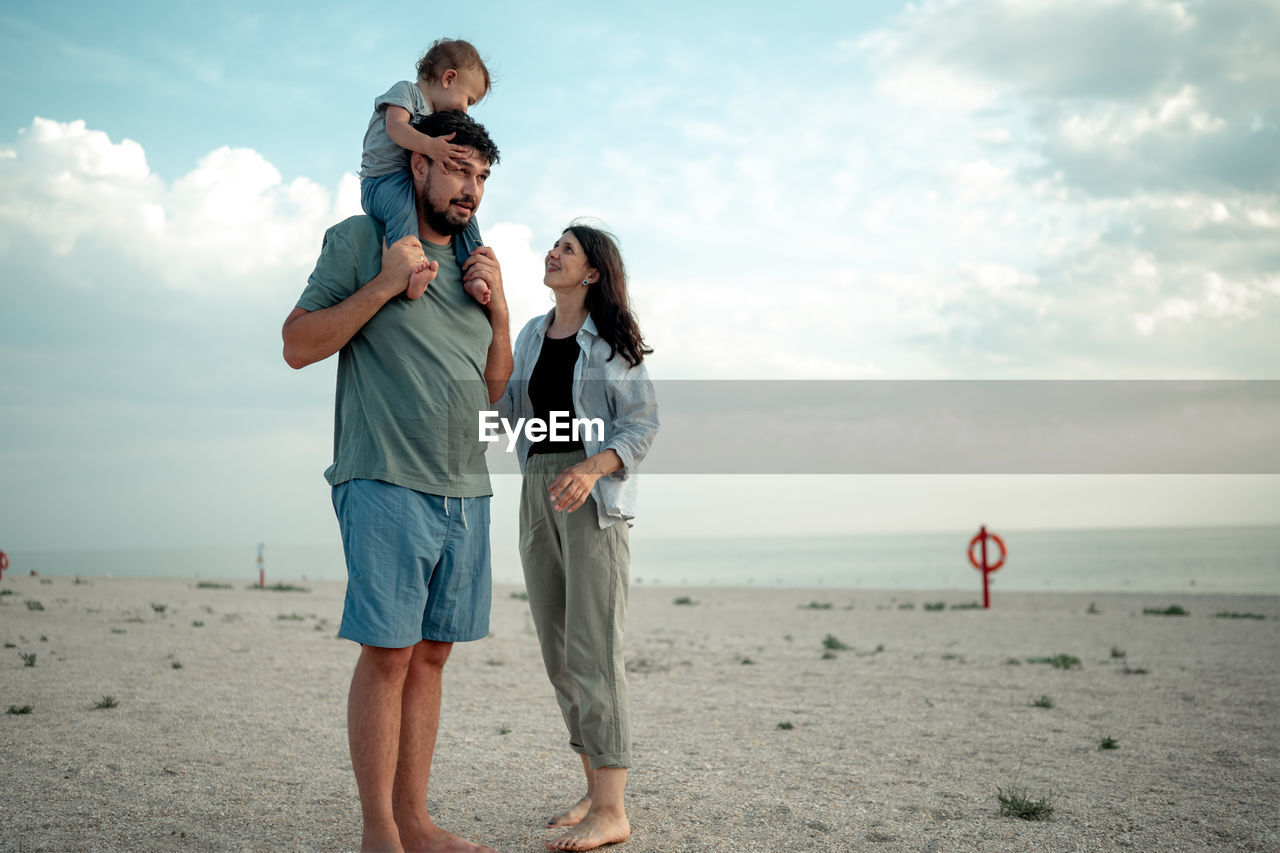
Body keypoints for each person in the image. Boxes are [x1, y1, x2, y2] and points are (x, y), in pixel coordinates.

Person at [283, 109, 509, 853]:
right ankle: (379, 829)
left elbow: (497, 396)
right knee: (388, 652)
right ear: (419, 165)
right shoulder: (363, 240)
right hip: (383, 477)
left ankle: (416, 819)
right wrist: (383, 284)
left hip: (466, 490)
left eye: (480, 176)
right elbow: (297, 344)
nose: (470, 187)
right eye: (457, 168)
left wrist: (502, 313)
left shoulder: (478, 268)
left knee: (433, 653)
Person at [495, 223, 658, 851]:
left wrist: (591, 468)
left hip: (590, 494)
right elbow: (507, 415)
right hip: (537, 485)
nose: (553, 253)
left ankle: (613, 811)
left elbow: (642, 424)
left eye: (567, 248)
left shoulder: (613, 343)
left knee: (595, 647)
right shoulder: (536, 333)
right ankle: (594, 790)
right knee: (559, 651)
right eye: (554, 245)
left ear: (592, 272)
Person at [359, 38, 493, 305]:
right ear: (448, 78)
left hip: (408, 179)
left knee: (464, 216)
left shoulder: (433, 116)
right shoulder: (406, 92)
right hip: (382, 181)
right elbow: (396, 128)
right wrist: (431, 146)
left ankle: (474, 270)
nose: (466, 109)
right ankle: (408, 270)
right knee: (402, 211)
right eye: (468, 99)